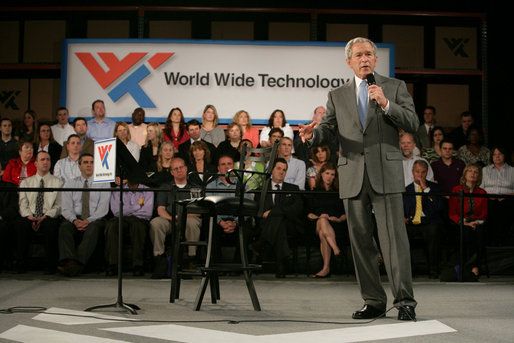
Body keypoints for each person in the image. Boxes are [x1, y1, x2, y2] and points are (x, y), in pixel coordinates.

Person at [299, 37, 418, 321]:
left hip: (385, 174)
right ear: (349, 61)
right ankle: (374, 300)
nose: (364, 59)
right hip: (352, 174)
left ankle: (404, 302)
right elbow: (327, 129)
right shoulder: (337, 95)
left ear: (376, 60)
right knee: (361, 241)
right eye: (358, 55)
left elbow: (412, 123)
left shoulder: (394, 87)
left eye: (369, 54)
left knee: (393, 241)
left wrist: (387, 103)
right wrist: (312, 135)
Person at [58, 153, 111, 276]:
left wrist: (88, 220)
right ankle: (69, 261)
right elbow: (66, 208)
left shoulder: (103, 183)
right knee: (64, 227)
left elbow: (103, 209)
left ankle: (76, 264)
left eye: (92, 163)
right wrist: (74, 220)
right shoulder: (70, 183)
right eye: (86, 162)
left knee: (93, 228)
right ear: (79, 166)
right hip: (75, 218)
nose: (89, 165)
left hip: (95, 219)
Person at [250, 158, 303, 278]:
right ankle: (281, 263)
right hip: (266, 225)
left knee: (279, 219)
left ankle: (260, 243)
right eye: (278, 168)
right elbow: (259, 211)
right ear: (272, 170)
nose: (281, 172)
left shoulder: (293, 188)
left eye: (284, 170)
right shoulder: (261, 190)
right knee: (279, 223)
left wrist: (274, 211)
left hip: (290, 225)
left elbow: (297, 208)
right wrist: (277, 213)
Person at [149, 157, 202, 278]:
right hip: (169, 220)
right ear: (171, 172)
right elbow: (160, 209)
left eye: (181, 167)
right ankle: (160, 259)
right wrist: (173, 219)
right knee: (156, 223)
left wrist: (182, 218)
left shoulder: (195, 188)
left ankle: (190, 259)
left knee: (192, 222)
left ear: (186, 169)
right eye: (175, 169)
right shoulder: (165, 187)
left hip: (189, 219)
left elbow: (198, 211)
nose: (179, 170)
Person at [13, 151, 63, 273]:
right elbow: (23, 204)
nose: (45, 162)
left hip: (47, 216)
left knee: (51, 225)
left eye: (48, 159)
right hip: (29, 216)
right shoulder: (26, 182)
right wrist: (29, 216)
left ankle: (50, 265)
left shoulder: (58, 182)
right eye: (42, 160)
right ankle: (20, 263)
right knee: (20, 224)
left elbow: (59, 205)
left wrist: (44, 216)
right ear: (35, 163)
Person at [105, 178, 154, 276]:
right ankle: (113, 264)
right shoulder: (118, 190)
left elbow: (147, 212)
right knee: (112, 225)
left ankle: (138, 265)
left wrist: (126, 209)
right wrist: (138, 206)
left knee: (137, 226)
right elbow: (116, 211)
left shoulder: (147, 190)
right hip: (121, 218)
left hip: (140, 219)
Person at [403, 160, 443, 278]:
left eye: (423, 172)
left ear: (427, 173)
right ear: (412, 172)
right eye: (417, 172)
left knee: (434, 231)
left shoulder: (434, 188)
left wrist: (426, 189)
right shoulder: (406, 190)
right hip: (411, 221)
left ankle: (433, 270)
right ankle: (408, 271)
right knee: (401, 234)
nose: (420, 175)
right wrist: (402, 217)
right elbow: (401, 207)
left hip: (429, 221)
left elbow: (438, 207)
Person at [306, 162, 346, 278]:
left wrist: (338, 219)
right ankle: (336, 249)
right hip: (316, 223)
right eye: (327, 173)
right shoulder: (314, 191)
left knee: (323, 233)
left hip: (335, 225)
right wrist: (319, 217)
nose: (330, 177)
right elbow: (308, 214)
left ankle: (325, 268)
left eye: (332, 174)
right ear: (321, 174)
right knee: (322, 221)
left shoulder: (338, 193)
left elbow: (345, 214)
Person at [448, 163, 488, 279]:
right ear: (465, 174)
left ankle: (473, 266)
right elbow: (452, 213)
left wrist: (476, 222)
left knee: (478, 232)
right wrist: (464, 222)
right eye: (470, 171)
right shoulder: (456, 189)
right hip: (460, 223)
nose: (473, 174)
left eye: (476, 172)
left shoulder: (482, 192)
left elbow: (484, 214)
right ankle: (469, 267)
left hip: (476, 223)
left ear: (479, 176)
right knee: (466, 231)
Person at [481, 146, 514, 245]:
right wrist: (488, 196)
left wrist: (507, 195)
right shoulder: (485, 170)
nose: (497, 156)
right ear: (491, 157)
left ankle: (504, 245)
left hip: (508, 200)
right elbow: (480, 188)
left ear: (504, 155)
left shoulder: (512, 170)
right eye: (494, 154)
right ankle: (491, 245)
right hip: (489, 200)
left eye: (500, 154)